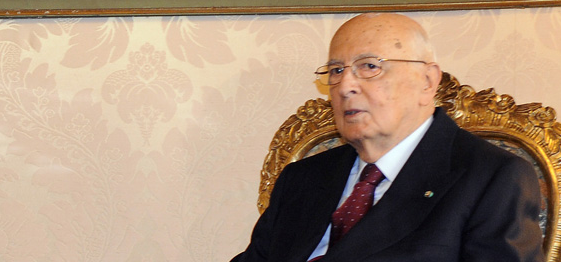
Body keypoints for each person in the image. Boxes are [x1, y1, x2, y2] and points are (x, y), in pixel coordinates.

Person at [232, 13, 543, 262]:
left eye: (369, 67)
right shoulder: (303, 178)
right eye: (336, 70)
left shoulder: (492, 178)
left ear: (427, 81)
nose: (345, 86)